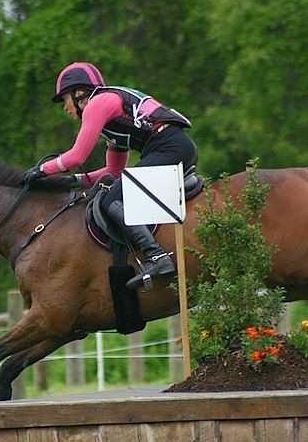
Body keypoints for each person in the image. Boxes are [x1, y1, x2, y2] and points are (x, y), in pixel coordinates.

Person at [25, 62, 198, 290]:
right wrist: (73, 180)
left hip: (169, 148)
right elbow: (113, 171)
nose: (65, 108)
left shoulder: (98, 104)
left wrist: (41, 170)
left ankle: (156, 256)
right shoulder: (111, 116)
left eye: (65, 99)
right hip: (174, 147)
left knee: (111, 199)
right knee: (116, 191)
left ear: (79, 93)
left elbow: (76, 156)